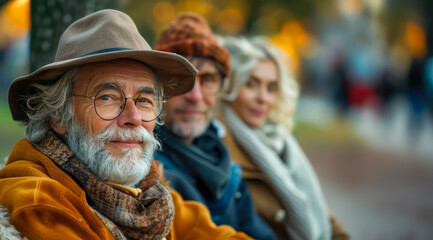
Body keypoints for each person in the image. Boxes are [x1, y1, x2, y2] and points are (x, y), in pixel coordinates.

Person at [0, 9, 252, 240]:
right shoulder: (38, 197)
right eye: (107, 97)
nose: (134, 117)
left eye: (144, 100)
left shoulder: (150, 193)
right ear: (59, 115)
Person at [153, 13, 276, 240]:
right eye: (181, 80)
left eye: (208, 79)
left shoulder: (225, 163)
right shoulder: (144, 170)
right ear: (155, 88)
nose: (195, 96)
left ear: (221, 88)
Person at [217, 36, 351, 240]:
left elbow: (318, 210)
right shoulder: (220, 148)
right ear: (229, 87)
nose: (263, 98)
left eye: (271, 88)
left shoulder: (280, 140)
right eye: (251, 84)